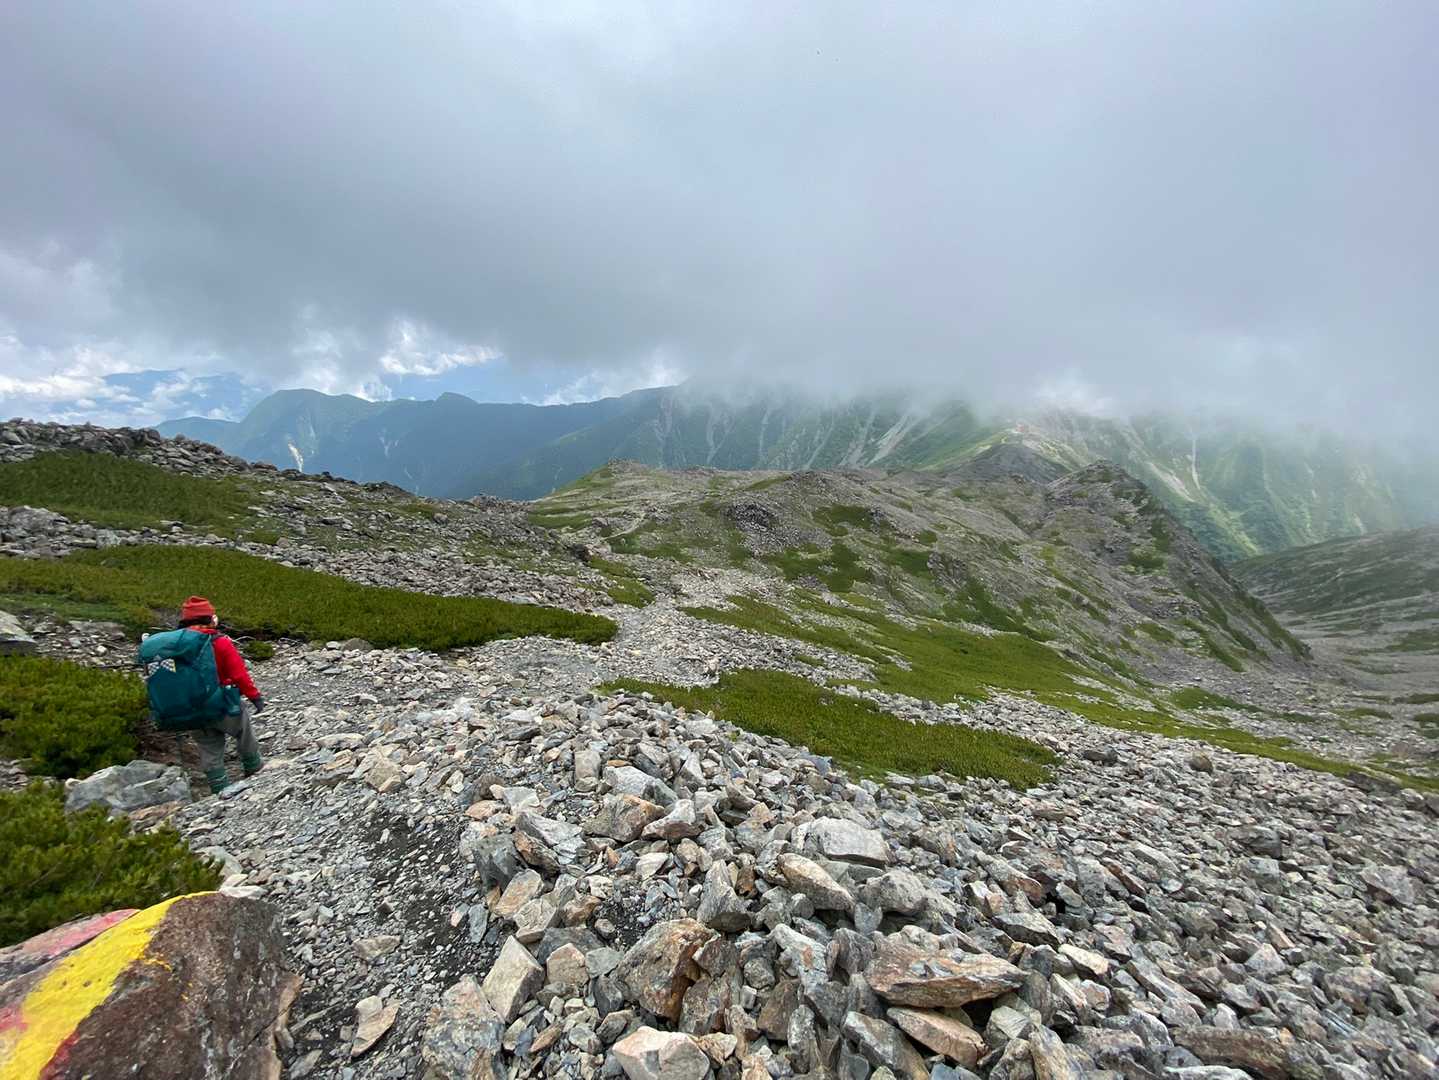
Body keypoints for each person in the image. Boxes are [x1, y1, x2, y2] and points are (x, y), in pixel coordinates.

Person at [176, 595, 266, 793]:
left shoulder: (175, 646)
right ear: (209, 618)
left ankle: (218, 788)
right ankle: (254, 768)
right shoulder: (219, 642)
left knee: (208, 745)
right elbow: (239, 674)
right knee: (243, 731)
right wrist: (255, 697)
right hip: (222, 702)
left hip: (190, 707)